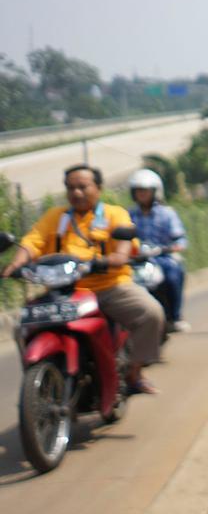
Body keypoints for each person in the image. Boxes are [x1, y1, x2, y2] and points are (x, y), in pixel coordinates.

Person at [2, 164, 164, 394]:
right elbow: (32, 242)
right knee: (23, 326)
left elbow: (124, 246)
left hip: (109, 287)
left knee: (152, 313)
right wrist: (15, 264)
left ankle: (134, 373)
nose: (76, 193)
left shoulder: (114, 214)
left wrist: (114, 258)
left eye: (82, 187)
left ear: (97, 188)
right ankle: (42, 377)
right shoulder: (55, 217)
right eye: (70, 188)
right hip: (64, 292)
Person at [128, 168, 191, 333]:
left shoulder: (167, 214)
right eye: (138, 190)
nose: (142, 194)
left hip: (162, 258)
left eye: (145, 190)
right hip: (137, 261)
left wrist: (170, 247)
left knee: (173, 275)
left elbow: (180, 239)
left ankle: (175, 316)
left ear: (155, 191)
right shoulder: (129, 215)